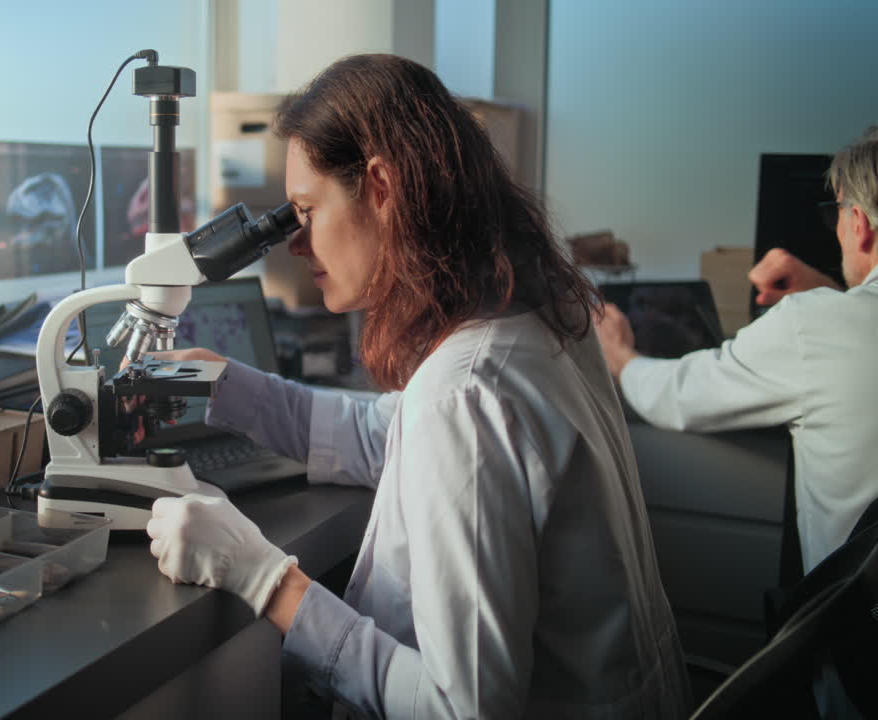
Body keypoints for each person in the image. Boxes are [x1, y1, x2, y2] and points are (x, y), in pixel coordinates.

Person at [143, 54, 690, 718]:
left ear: (381, 186)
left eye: (306, 211)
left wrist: (264, 579)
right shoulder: (543, 316)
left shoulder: (463, 394)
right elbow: (393, 435)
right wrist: (225, 386)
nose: (296, 244)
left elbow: (462, 710)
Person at [595, 126, 878, 575]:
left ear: (859, 224)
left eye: (836, 214)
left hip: (856, 615)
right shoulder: (825, 322)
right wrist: (831, 297)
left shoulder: (813, 325)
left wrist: (618, 355)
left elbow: (680, 395)